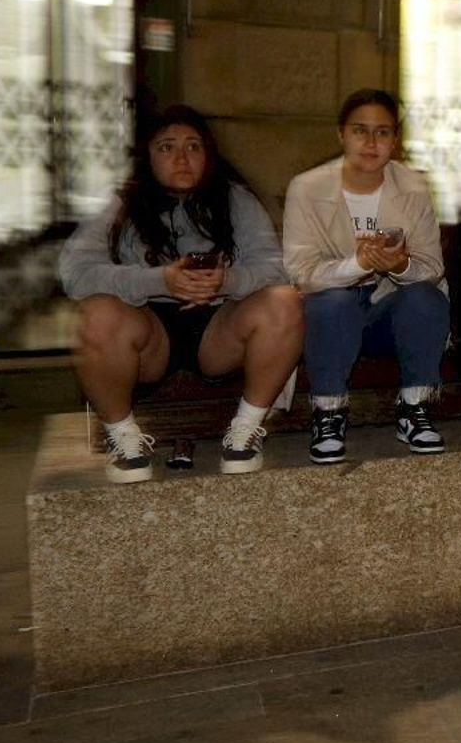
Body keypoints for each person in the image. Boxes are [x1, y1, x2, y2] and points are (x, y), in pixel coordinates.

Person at [59, 104, 301, 482]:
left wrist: (228, 281)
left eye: (193, 146)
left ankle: (245, 432)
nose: (182, 158)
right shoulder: (121, 203)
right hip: (147, 328)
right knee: (95, 314)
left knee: (284, 300)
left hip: (219, 326)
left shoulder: (234, 199)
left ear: (208, 154)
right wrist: (158, 281)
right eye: (167, 147)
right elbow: (75, 273)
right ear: (148, 155)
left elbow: (276, 265)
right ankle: (124, 438)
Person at [282, 89, 449, 461]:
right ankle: (328, 412)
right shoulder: (307, 188)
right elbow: (301, 273)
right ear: (341, 134)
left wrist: (400, 266)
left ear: (395, 140)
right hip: (330, 318)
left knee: (425, 296)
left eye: (383, 132)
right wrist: (358, 264)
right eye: (360, 131)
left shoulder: (414, 188)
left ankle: (414, 408)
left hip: (387, 312)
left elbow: (433, 266)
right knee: (333, 300)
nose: (371, 143)